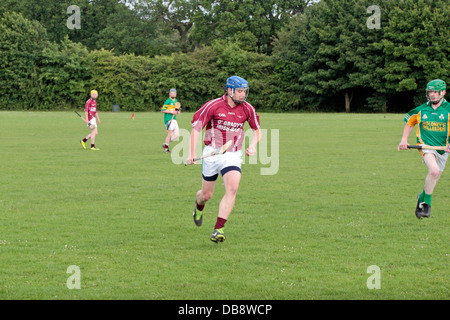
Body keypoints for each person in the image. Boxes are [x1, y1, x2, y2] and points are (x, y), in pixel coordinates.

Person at [186, 76, 261, 242]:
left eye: (244, 91)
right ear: (229, 90)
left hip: (232, 154)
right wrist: (192, 153)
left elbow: (257, 130)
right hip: (212, 153)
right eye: (239, 91)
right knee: (206, 195)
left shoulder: (247, 108)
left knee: (233, 187)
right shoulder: (213, 105)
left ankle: (218, 229)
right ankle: (198, 207)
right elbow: (196, 129)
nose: (243, 95)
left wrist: (253, 145)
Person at [398, 79, 449, 218]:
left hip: (443, 149)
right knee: (433, 171)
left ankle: (421, 198)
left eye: (435, 91)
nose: (432, 94)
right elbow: (410, 122)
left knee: (434, 178)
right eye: (430, 91)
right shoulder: (421, 110)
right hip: (426, 147)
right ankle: (427, 205)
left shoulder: (448, 109)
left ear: (443, 92)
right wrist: (404, 140)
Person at [161, 88, 181, 153]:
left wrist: (178, 112)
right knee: (170, 134)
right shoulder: (168, 101)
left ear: (176, 94)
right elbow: (163, 110)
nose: (173, 94)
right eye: (171, 93)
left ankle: (165, 144)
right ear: (169, 94)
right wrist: (171, 112)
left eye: (174, 93)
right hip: (168, 119)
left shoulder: (176, 101)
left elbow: (177, 110)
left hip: (174, 119)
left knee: (177, 135)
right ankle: (166, 149)